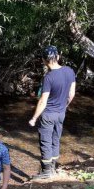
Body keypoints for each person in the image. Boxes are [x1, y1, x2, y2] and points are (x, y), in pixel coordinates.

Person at [29, 46, 76, 179]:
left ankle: (46, 172)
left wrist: (34, 118)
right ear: (58, 57)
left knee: (45, 142)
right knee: (56, 139)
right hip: (61, 113)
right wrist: (64, 106)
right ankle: (53, 167)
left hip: (48, 114)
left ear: (44, 60)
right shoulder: (69, 71)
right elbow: (71, 93)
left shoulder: (48, 78)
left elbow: (43, 101)